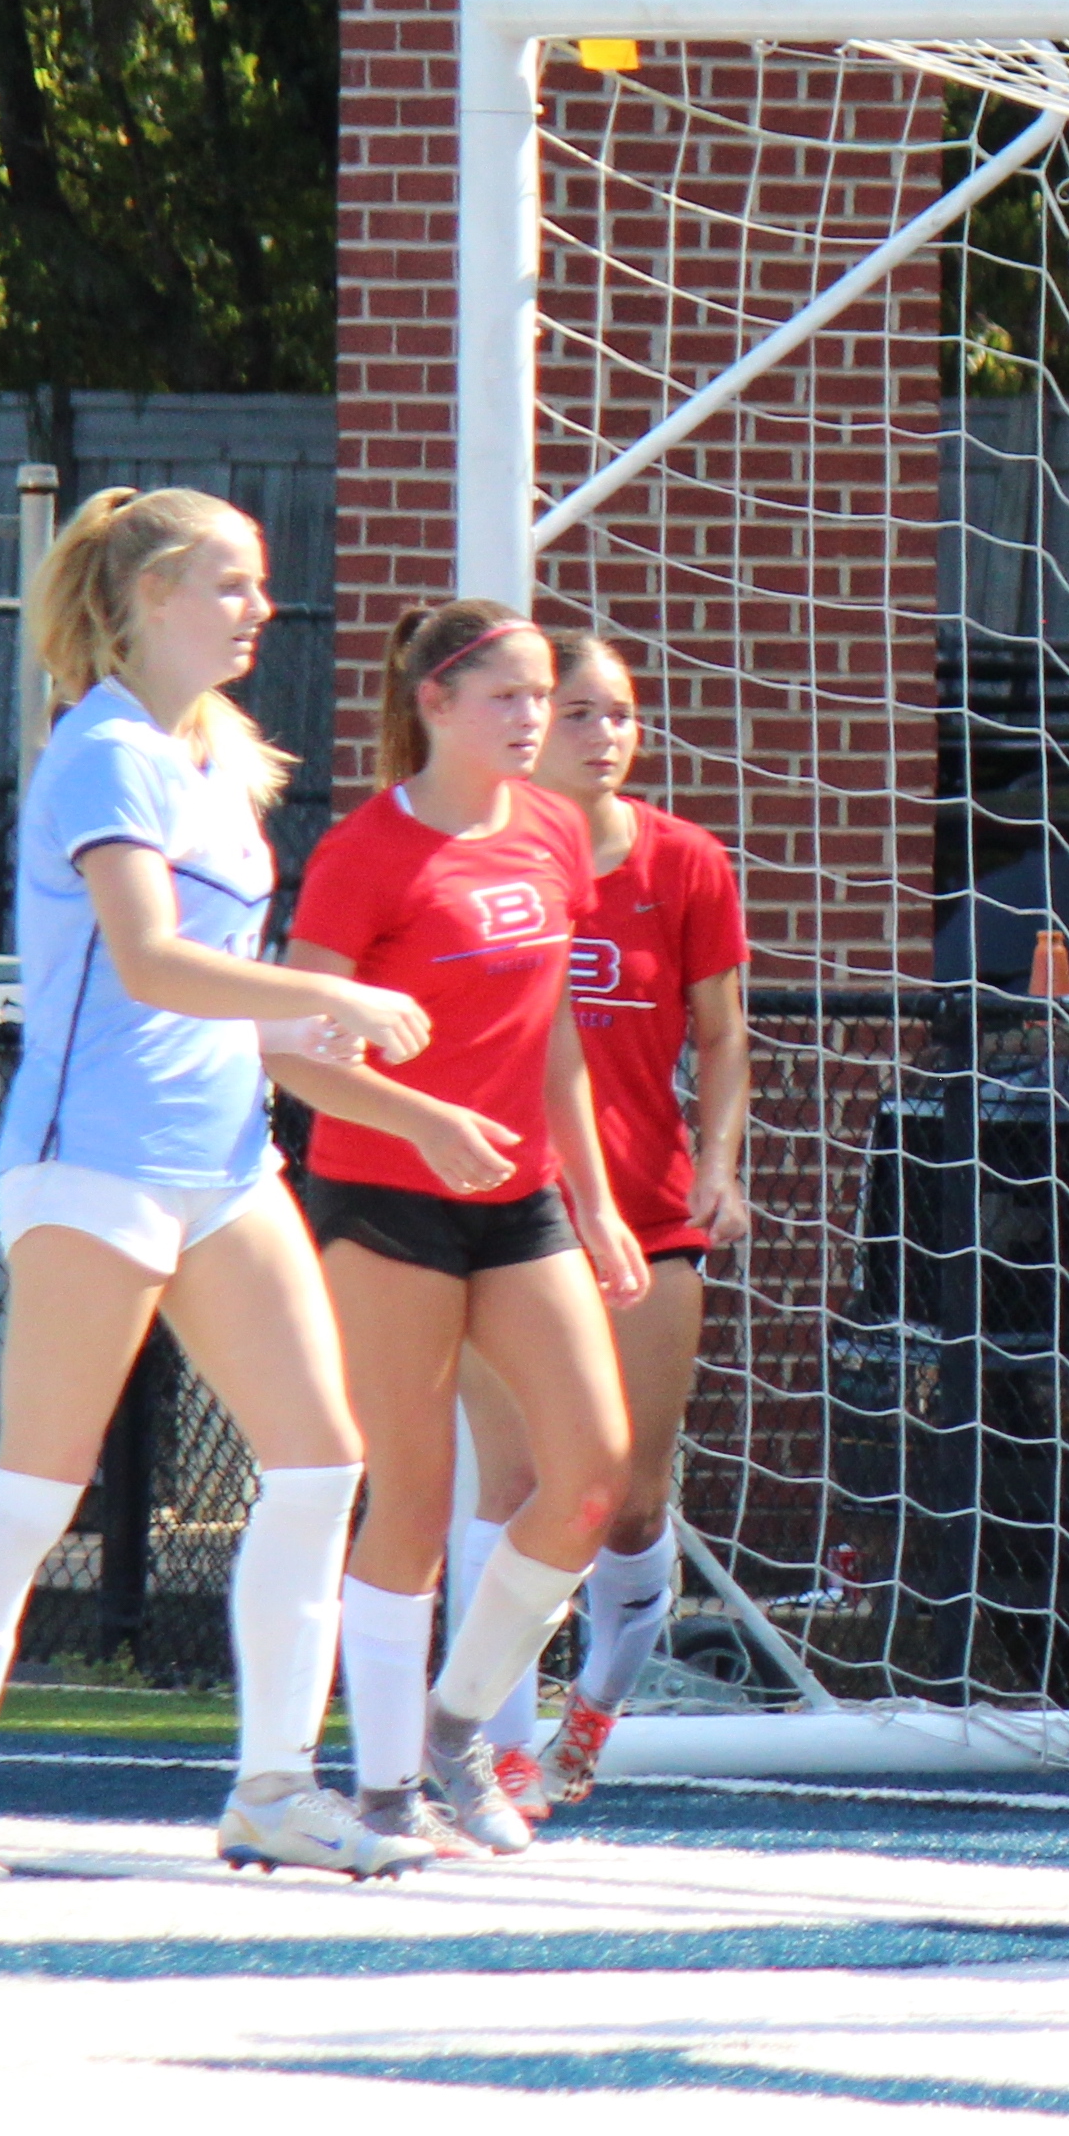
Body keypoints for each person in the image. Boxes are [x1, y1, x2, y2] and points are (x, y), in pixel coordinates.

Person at [0, 491, 434, 1883]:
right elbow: (153, 967)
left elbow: (228, 1016)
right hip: (93, 1167)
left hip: (224, 1162)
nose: (260, 607)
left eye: (261, 583)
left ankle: (271, 1791)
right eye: (231, 585)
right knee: (33, 1490)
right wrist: (342, 996)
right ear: (148, 600)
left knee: (319, 1464)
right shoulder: (101, 750)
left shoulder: (213, 763)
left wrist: (389, 1092)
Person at [274, 601, 651, 1859]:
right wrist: (421, 1118)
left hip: (518, 1195)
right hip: (385, 1195)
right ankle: (384, 1791)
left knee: (592, 1474)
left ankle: (456, 1724)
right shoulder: (366, 852)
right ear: (435, 703)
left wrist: (594, 1201)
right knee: (416, 1498)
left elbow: (551, 1034)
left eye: (545, 694)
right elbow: (294, 1053)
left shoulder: (551, 832)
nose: (535, 718)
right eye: (508, 696)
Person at [449, 633, 754, 1816]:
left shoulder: (684, 864)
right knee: (518, 1483)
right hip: (511, 1212)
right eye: (577, 711)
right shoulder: (481, 858)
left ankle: (599, 1704)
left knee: (625, 1493)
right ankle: (491, 1752)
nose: (601, 734)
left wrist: (716, 1169)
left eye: (618, 714)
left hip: (645, 1209)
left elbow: (723, 1033)